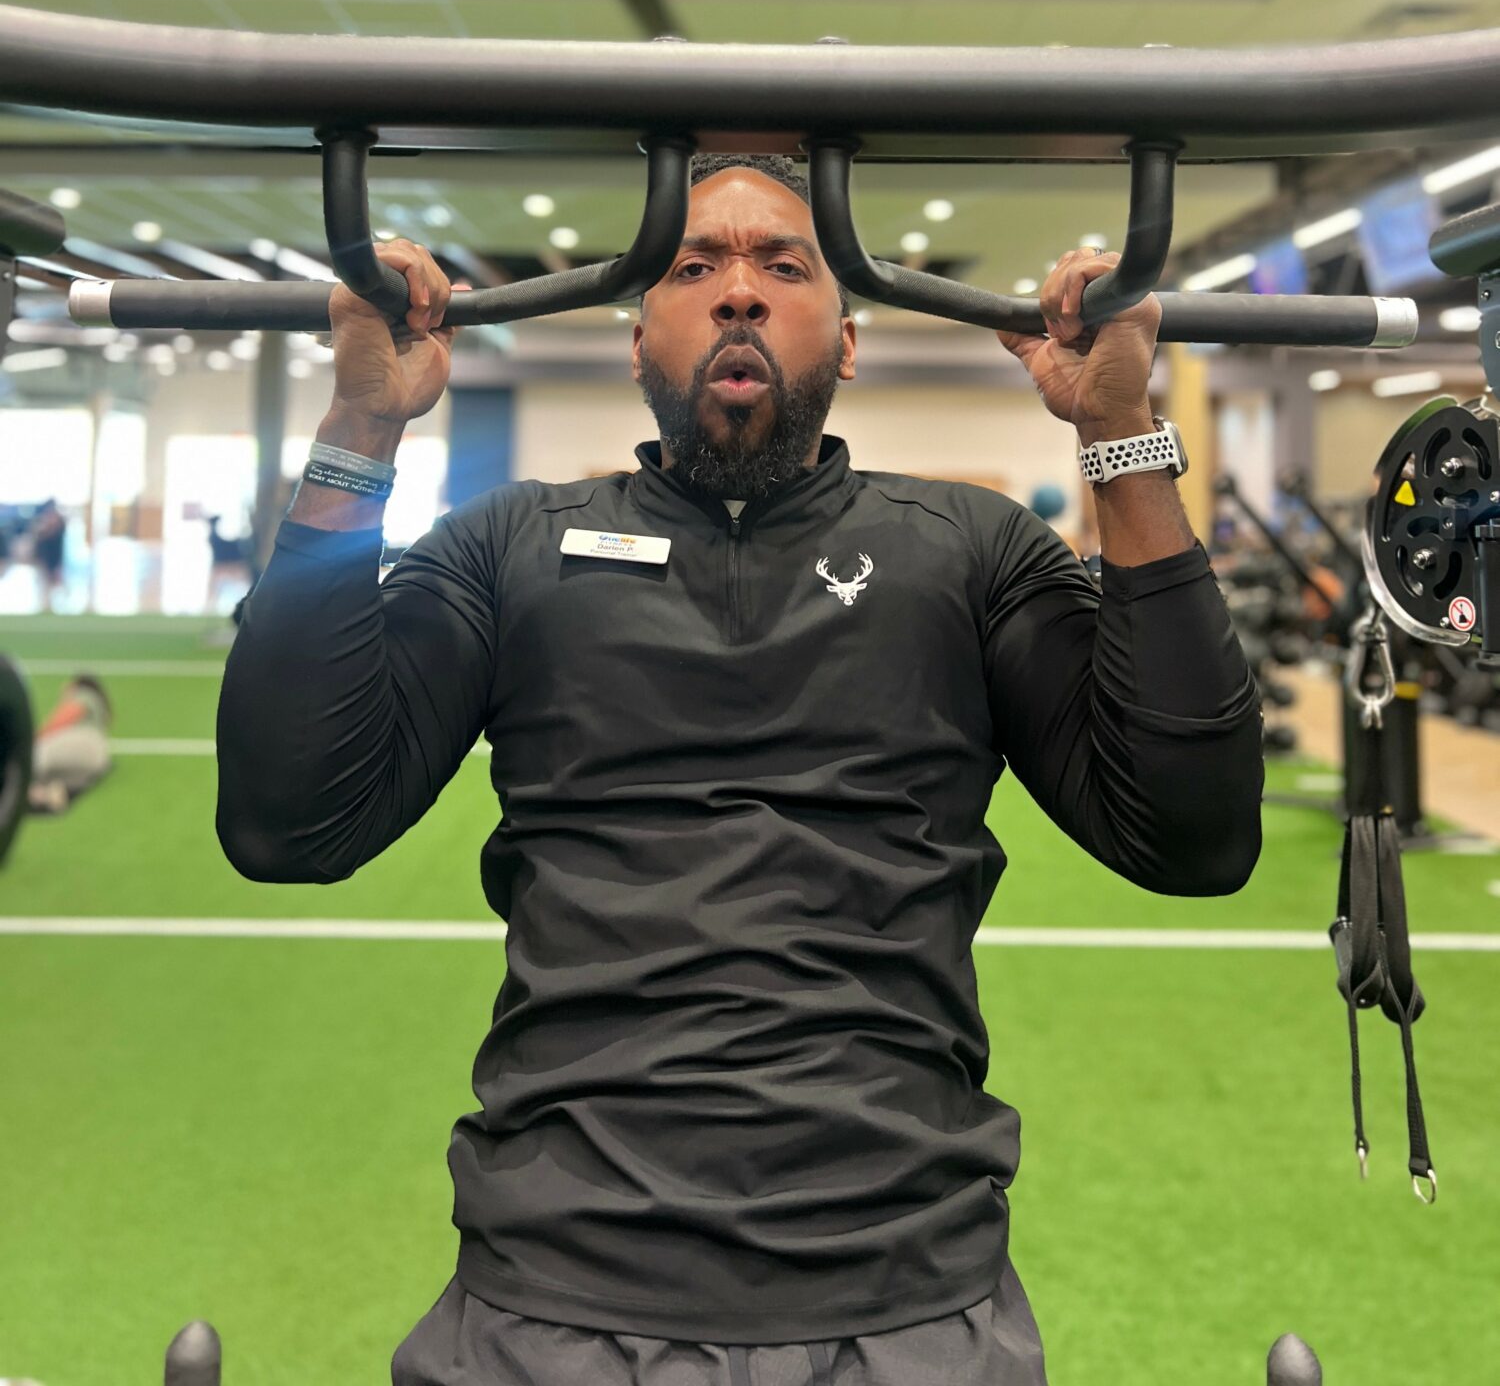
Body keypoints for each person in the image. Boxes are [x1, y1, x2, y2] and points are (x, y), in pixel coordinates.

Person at [216, 155, 1262, 1386]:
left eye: (784, 263)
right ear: (638, 341)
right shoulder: (513, 547)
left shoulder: (969, 551)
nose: (740, 291)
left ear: (849, 340)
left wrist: (1118, 430)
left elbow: (1190, 835)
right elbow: (292, 819)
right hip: (553, 1290)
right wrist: (363, 424)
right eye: (693, 265)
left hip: (907, 1287)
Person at [28, 673, 113, 815]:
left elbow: (57, 723)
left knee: (33, 756)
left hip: (83, 743)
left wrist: (29, 740)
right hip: (96, 758)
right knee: (47, 779)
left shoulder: (83, 695)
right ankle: (46, 795)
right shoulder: (96, 705)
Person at [28, 499, 67, 610]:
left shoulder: (60, 528)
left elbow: (59, 549)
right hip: (43, 560)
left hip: (54, 559)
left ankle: (52, 605)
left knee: (54, 584)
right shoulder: (41, 527)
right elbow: (37, 543)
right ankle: (45, 605)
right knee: (43, 584)